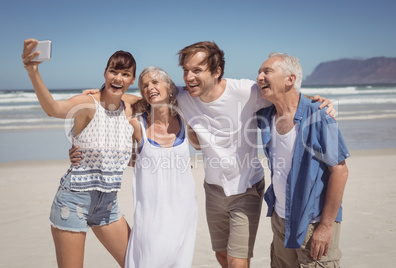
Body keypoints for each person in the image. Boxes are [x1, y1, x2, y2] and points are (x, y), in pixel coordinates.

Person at [175, 41, 336, 268]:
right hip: (212, 188)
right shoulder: (182, 97)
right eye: (185, 71)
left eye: (197, 70)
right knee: (222, 256)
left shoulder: (245, 91)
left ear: (217, 71)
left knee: (237, 262)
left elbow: (287, 96)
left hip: (246, 187)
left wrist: (318, 102)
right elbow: (145, 94)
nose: (189, 77)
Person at [22, 38, 140, 268]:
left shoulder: (133, 106)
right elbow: (53, 109)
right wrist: (32, 71)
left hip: (107, 205)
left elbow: (165, 97)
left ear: (132, 79)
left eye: (125, 74)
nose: (118, 78)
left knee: (138, 263)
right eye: (113, 71)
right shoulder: (87, 104)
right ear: (105, 73)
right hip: (73, 200)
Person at [256, 52, 349, 267]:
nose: (259, 76)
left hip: (313, 222)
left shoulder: (319, 116)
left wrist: (326, 227)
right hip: (280, 219)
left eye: (267, 71)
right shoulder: (265, 116)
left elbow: (340, 171)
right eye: (259, 72)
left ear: (290, 79)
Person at [124, 66, 198, 267]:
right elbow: (114, 100)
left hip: (184, 212)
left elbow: (200, 145)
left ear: (169, 87)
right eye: (145, 85)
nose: (149, 88)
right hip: (151, 215)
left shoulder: (186, 120)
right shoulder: (136, 126)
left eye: (155, 82)